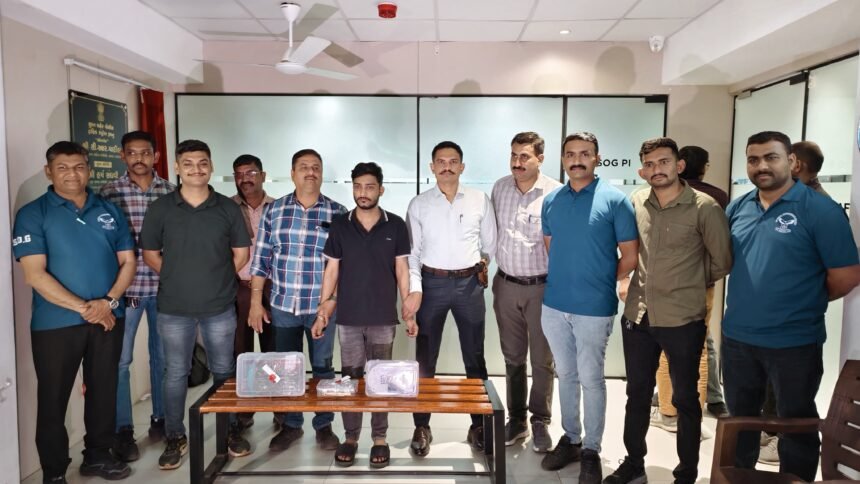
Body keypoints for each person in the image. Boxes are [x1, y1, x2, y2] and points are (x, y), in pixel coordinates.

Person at [721, 131, 860, 481]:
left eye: (771, 157)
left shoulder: (820, 210)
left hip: (795, 342)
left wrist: (803, 299)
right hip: (738, 338)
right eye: (753, 159)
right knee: (740, 424)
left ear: (791, 162)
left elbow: (846, 275)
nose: (762, 166)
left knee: (796, 426)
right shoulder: (738, 207)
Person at [605, 138, 732, 484]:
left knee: (686, 399)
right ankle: (634, 463)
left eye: (664, 162)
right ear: (642, 170)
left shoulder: (705, 207)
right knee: (637, 394)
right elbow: (629, 250)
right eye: (650, 163)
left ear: (679, 166)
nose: (657, 169)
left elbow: (722, 261)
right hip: (638, 315)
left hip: (682, 318)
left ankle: (686, 472)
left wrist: (686, 282)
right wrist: (625, 279)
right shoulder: (636, 201)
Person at [13, 141, 136, 482]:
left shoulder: (108, 210)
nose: (72, 174)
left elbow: (128, 261)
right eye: (63, 168)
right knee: (53, 398)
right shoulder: (33, 213)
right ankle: (53, 472)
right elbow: (34, 275)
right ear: (48, 171)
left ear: (89, 170)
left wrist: (108, 302)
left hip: (109, 317)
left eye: (79, 166)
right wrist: (88, 308)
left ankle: (98, 456)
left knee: (103, 390)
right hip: (55, 323)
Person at [140, 139, 252, 470]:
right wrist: (177, 277)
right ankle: (175, 436)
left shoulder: (227, 208)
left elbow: (241, 253)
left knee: (223, 370)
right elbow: (150, 255)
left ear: (211, 166)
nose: (196, 169)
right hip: (174, 307)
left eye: (203, 163)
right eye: (188, 164)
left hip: (219, 306)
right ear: (177, 168)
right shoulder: (160, 208)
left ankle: (229, 431)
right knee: (176, 373)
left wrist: (217, 279)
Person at [539, 132, 638, 483]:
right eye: (570, 154)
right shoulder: (551, 201)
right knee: (566, 375)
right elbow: (551, 247)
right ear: (563, 159)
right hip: (554, 305)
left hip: (594, 307)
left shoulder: (615, 200)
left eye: (584, 154)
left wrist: (600, 278)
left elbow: (630, 256)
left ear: (597, 158)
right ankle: (572, 439)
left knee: (592, 378)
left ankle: (592, 450)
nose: (577, 160)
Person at [311, 162, 418, 468]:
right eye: (358, 186)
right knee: (350, 378)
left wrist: (408, 310)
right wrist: (323, 310)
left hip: (383, 316)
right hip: (348, 317)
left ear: (380, 190)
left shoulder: (395, 225)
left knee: (381, 379)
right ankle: (351, 437)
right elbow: (332, 270)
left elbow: (402, 269)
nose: (363, 192)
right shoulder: (340, 225)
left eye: (370, 187)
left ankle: (380, 438)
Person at [247, 149, 345, 453]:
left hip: (321, 307)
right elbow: (261, 260)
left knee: (323, 367)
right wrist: (255, 302)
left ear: (321, 173)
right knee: (286, 368)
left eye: (316, 167)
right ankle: (291, 424)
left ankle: (324, 425)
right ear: (292, 173)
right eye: (303, 167)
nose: (310, 172)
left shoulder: (338, 213)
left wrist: (331, 300)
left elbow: (345, 265)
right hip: (283, 306)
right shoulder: (274, 211)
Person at [405, 140, 496, 456]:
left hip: (469, 285)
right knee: (425, 357)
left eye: (453, 161)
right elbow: (413, 253)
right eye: (441, 162)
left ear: (462, 166)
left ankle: (479, 425)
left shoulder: (479, 199)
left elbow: (490, 244)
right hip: (431, 284)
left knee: (475, 356)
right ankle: (422, 425)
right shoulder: (419, 204)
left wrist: (479, 267)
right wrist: (416, 288)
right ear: (432, 167)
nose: (447, 167)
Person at [99, 130, 175, 462]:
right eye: (132, 153)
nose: (139, 158)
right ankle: (123, 430)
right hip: (124, 289)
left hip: (164, 288)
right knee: (120, 361)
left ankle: (161, 420)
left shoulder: (171, 192)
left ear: (155, 156)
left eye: (145, 152)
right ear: (122, 156)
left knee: (163, 359)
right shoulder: (108, 193)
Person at [649, 144, 729, 434]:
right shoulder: (719, 196)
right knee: (700, 348)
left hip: (681, 288)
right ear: (704, 167)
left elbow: (723, 256)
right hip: (701, 286)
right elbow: (721, 258)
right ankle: (693, 411)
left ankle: (670, 412)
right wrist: (699, 277)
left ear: (679, 165)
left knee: (668, 350)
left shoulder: (702, 201)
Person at [490, 131, 561, 452]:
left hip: (542, 287)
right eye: (514, 155)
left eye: (524, 156)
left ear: (540, 159)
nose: (517, 162)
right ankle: (517, 419)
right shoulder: (500, 188)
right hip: (506, 285)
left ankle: (540, 421)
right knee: (513, 357)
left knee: (542, 360)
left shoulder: (555, 192)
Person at [230, 154, 275, 431]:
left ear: (263, 175)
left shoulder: (279, 207)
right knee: (240, 352)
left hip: (273, 287)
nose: (245, 178)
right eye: (239, 174)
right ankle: (243, 412)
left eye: (251, 172)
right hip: (239, 288)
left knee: (275, 351)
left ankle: (280, 410)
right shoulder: (226, 208)